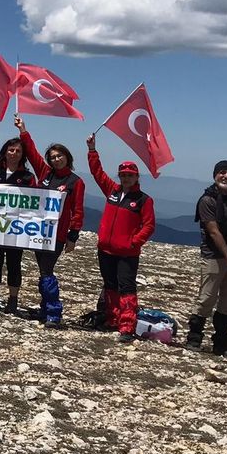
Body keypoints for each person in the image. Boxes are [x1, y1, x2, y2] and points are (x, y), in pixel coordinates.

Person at [15, 117, 85, 328]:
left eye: (59, 156)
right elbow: (32, 153)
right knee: (43, 269)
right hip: (38, 231)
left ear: (67, 157)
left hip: (58, 234)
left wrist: (73, 235)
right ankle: (46, 309)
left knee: (46, 270)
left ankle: (53, 311)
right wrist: (23, 131)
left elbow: (78, 210)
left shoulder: (76, 182)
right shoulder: (45, 174)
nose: (56, 160)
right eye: (52, 157)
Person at [86, 133, 155, 342]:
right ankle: (112, 319)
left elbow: (149, 225)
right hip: (105, 250)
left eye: (130, 175)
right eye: (123, 175)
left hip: (127, 253)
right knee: (109, 285)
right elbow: (97, 173)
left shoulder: (143, 200)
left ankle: (127, 326)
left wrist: (133, 242)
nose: (126, 178)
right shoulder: (112, 191)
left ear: (136, 177)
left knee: (126, 287)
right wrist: (92, 150)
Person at [184, 160, 227, 355]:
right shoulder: (207, 200)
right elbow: (213, 232)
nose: (226, 176)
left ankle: (221, 343)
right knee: (207, 299)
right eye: (222, 172)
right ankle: (194, 338)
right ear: (215, 175)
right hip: (214, 257)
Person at [0, 137, 37, 313]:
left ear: (23, 155)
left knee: (15, 264)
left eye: (18, 151)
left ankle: (13, 300)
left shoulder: (28, 177)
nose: (14, 153)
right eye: (11, 150)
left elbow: (35, 202)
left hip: (16, 229)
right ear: (5, 151)